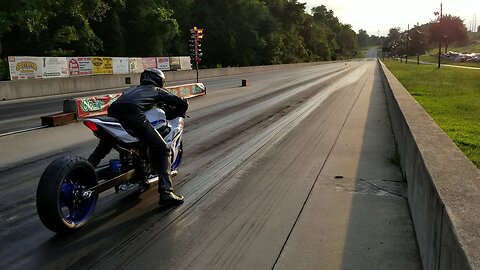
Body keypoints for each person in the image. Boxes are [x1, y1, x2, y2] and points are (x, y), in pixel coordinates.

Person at [88, 68, 188, 206]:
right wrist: (183, 104)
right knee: (163, 150)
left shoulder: (132, 90)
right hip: (133, 114)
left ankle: (85, 171)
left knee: (104, 147)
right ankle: (166, 193)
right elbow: (178, 101)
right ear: (159, 81)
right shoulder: (156, 90)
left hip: (113, 112)